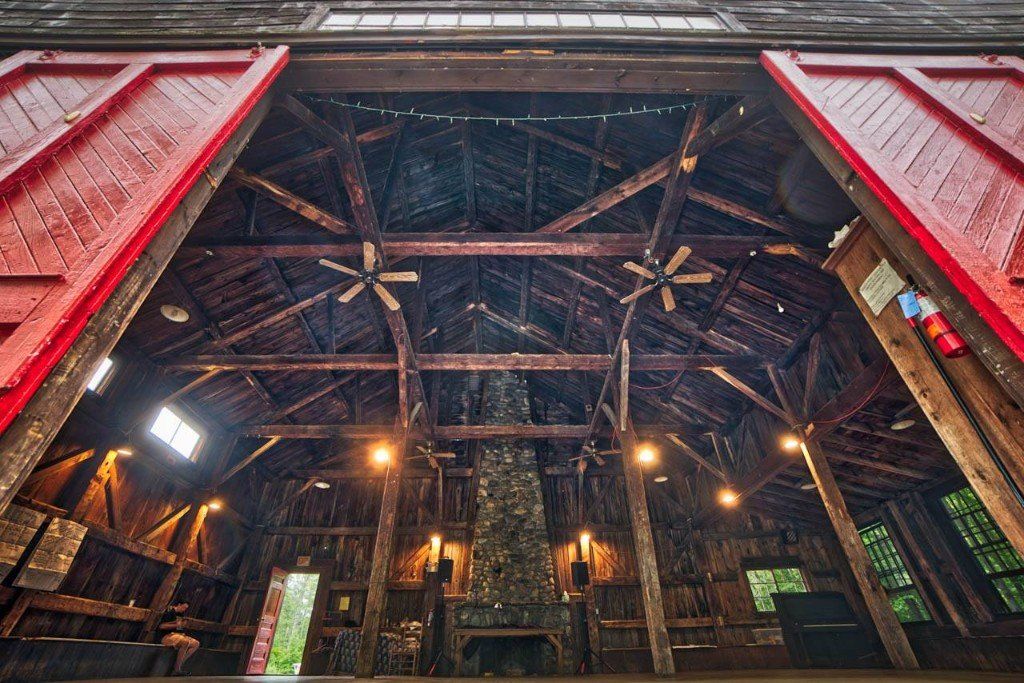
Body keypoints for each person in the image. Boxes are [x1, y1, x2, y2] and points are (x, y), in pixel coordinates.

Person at [160, 602, 200, 675]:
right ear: (178, 605)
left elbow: (179, 628)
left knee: (196, 643)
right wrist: (177, 624)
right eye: (183, 607)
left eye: (186, 608)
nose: (184, 609)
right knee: (186, 642)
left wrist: (182, 626)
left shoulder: (181, 615)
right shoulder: (170, 612)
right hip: (166, 636)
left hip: (177, 634)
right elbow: (162, 626)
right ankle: (177, 669)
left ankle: (179, 664)